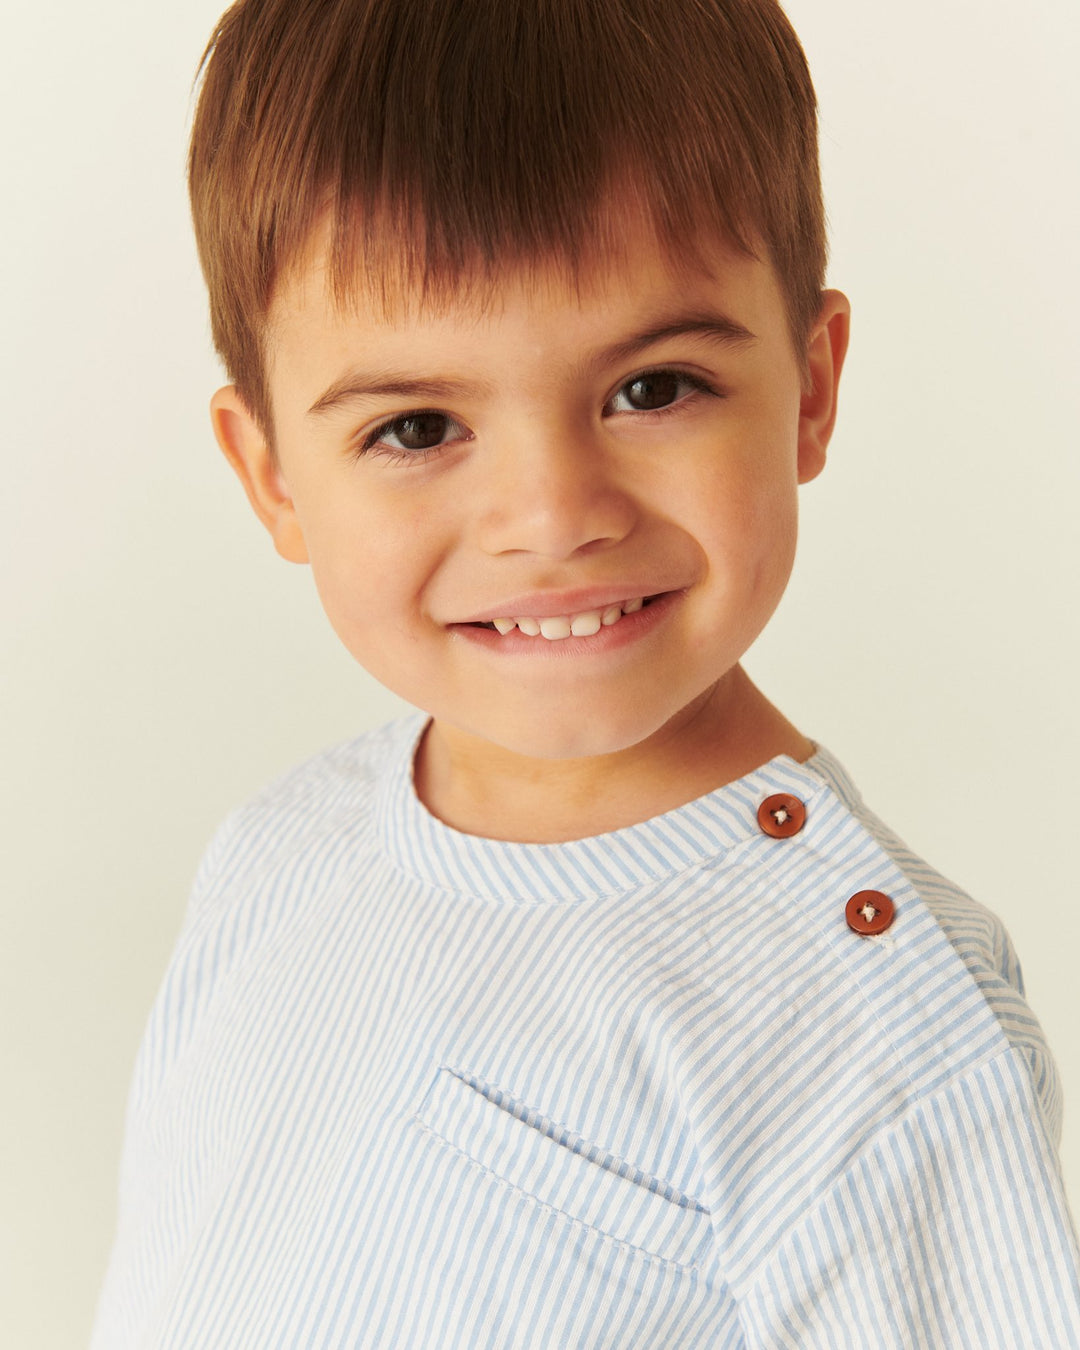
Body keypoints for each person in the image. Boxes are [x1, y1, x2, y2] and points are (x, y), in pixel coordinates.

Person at [91, 0, 1080, 1344]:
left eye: (653, 388)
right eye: (419, 424)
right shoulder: (278, 854)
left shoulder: (873, 1034)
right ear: (271, 475)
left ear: (809, 385)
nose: (553, 515)